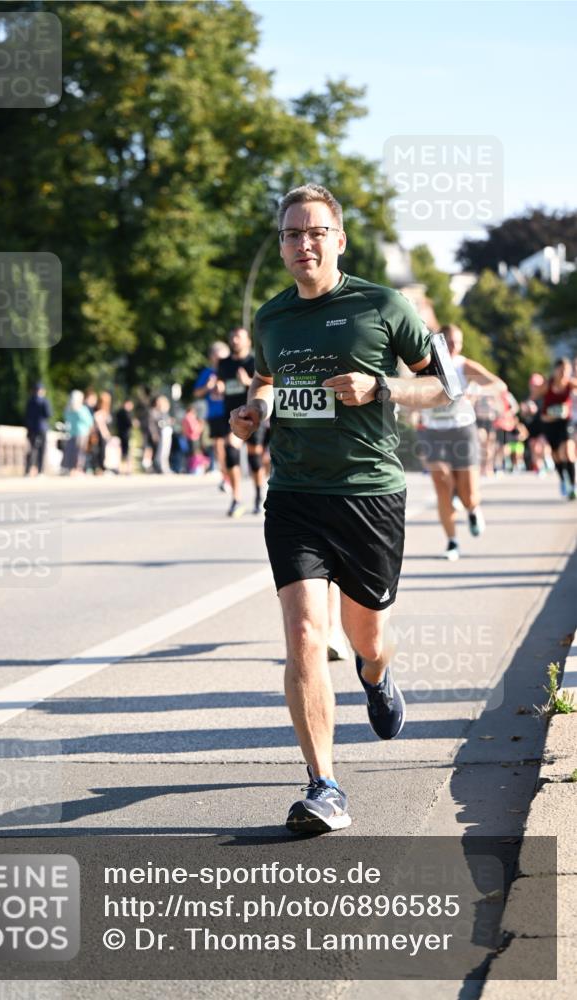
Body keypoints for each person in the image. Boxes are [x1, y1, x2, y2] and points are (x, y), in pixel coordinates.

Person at [230, 183, 456, 834]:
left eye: (314, 232)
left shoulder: (383, 306)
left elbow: (446, 385)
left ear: (338, 240)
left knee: (368, 638)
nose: (302, 244)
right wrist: (252, 415)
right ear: (281, 247)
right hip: (295, 495)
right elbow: (266, 382)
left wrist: (380, 385)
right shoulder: (272, 318)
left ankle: (377, 675)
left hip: (368, 495)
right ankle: (323, 784)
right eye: (290, 234)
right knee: (303, 634)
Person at [416, 324, 506, 561]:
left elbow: (499, 385)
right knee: (442, 486)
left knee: (468, 494)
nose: (455, 346)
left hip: (462, 431)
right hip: (434, 432)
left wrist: (475, 392)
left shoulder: (463, 366)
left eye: (459, 342)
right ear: (440, 342)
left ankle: (473, 509)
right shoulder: (424, 364)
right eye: (450, 341)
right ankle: (452, 541)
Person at [218, 327, 266, 517]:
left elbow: (264, 385)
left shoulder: (255, 362)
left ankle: (258, 494)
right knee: (231, 449)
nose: (234, 340)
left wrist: (247, 382)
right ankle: (236, 499)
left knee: (255, 458)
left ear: (248, 341)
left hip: (253, 414)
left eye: (238, 337)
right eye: (232, 337)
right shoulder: (224, 363)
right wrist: (218, 387)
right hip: (232, 415)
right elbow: (223, 382)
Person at [193, 342, 230, 490]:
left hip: (231, 412)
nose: (218, 360)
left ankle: (233, 473)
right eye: (215, 356)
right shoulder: (207, 373)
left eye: (221, 356)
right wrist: (207, 387)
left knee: (231, 446)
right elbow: (196, 393)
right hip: (215, 414)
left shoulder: (231, 371)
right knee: (219, 447)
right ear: (211, 357)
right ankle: (225, 476)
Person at [540, 357, 577, 500]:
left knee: (568, 451)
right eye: (561, 370)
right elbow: (534, 396)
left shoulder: (570, 384)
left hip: (565, 422)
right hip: (549, 424)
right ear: (555, 370)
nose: (563, 374)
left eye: (566, 371)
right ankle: (563, 480)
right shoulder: (548, 384)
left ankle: (573, 485)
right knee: (556, 455)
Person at [62, 390, 93, 475]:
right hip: (82, 433)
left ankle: (71, 469)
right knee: (80, 452)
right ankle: (78, 469)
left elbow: (66, 418)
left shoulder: (68, 409)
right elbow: (89, 421)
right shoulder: (82, 409)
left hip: (72, 433)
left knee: (72, 452)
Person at [24, 382, 52, 476]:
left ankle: (28, 470)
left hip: (32, 428)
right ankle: (40, 471)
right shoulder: (44, 401)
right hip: (41, 428)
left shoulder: (30, 401)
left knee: (32, 450)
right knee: (40, 450)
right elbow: (48, 414)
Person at [92, 391, 113, 474]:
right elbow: (101, 425)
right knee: (101, 451)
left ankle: (102, 467)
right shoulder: (99, 412)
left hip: (104, 434)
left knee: (103, 451)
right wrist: (106, 434)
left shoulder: (106, 411)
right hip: (101, 435)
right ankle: (100, 468)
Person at [115, 399, 134, 475]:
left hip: (121, 433)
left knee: (123, 452)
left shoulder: (119, 412)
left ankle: (122, 468)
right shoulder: (125, 413)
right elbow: (129, 423)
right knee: (125, 452)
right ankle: (125, 469)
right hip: (125, 434)